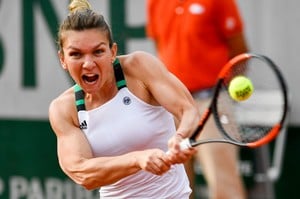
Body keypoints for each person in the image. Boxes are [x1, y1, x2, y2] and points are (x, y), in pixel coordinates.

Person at [48, 0, 201, 198]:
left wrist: (181, 137)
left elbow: (187, 110)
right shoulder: (63, 109)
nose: (88, 64)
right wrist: (137, 160)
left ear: (112, 52)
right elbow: (83, 172)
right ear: (63, 59)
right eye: (76, 54)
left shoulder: (140, 67)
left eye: (98, 51)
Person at [146, 0, 249, 198]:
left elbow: (238, 50)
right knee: (173, 187)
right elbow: (162, 46)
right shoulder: (154, 2)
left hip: (211, 103)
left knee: (224, 184)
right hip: (171, 104)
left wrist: (221, 93)